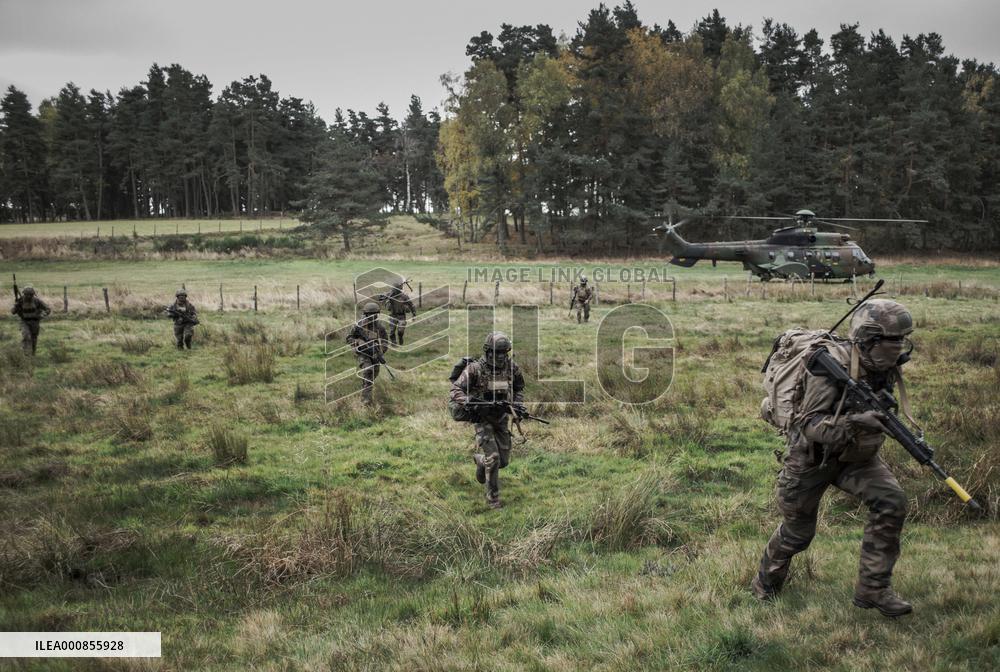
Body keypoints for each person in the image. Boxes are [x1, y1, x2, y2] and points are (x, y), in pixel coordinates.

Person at [753, 299, 916, 617]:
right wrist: (856, 422)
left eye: (902, 339)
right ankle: (764, 586)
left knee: (892, 502)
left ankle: (873, 589)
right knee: (798, 534)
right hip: (810, 460)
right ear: (869, 338)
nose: (899, 346)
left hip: (855, 457)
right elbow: (808, 425)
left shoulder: (882, 367)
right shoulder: (827, 367)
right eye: (893, 339)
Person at [448, 331, 526, 509]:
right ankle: (493, 499)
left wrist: (517, 405)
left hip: (500, 417)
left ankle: (480, 461)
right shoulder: (475, 369)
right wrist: (470, 402)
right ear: (488, 352)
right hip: (482, 417)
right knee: (494, 457)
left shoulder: (512, 367)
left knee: (503, 462)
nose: (501, 356)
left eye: (504, 353)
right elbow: (455, 390)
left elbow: (519, 387)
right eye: (497, 352)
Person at [346, 302, 389, 404]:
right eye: (371, 314)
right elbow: (348, 338)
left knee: (374, 373)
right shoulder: (358, 325)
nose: (373, 316)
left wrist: (381, 351)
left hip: (374, 353)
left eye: (375, 314)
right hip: (362, 352)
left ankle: (366, 386)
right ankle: (366, 400)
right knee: (368, 371)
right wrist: (358, 342)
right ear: (366, 314)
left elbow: (385, 341)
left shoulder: (379, 327)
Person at [11, 286, 51, 355]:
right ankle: (26, 353)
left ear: (33, 294)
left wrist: (43, 315)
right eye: (27, 294)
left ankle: (33, 354)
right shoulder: (20, 301)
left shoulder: (37, 301)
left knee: (34, 338)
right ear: (24, 294)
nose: (29, 296)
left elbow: (48, 309)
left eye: (30, 294)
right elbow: (13, 312)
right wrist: (16, 306)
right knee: (26, 336)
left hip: (35, 322)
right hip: (24, 322)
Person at [382, 280, 417, 346]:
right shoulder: (390, 296)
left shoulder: (404, 296)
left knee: (400, 331)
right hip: (393, 315)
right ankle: (393, 343)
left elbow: (411, 305)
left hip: (401, 316)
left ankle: (400, 338)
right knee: (392, 331)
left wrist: (414, 313)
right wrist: (388, 300)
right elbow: (384, 302)